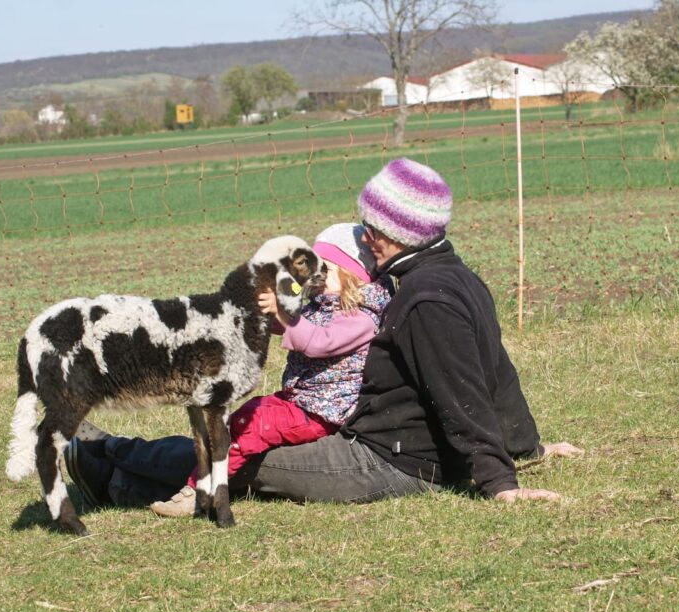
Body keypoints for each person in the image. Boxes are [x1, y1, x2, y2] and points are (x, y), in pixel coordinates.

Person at [65, 157, 580, 512]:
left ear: (397, 231)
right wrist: (528, 447)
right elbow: (498, 370)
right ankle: (115, 477)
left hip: (390, 459)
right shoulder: (456, 277)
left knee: (250, 449)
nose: (366, 236)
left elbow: (461, 387)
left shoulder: (426, 300)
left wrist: (500, 482)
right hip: (389, 444)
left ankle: (108, 457)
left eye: (371, 226)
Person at [147, 222, 393, 517]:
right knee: (249, 415)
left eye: (325, 268)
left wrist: (282, 314)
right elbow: (293, 320)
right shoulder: (326, 301)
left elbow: (319, 341)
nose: (317, 275)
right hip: (304, 401)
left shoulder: (361, 317)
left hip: (322, 412)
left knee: (253, 425)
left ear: (354, 273)